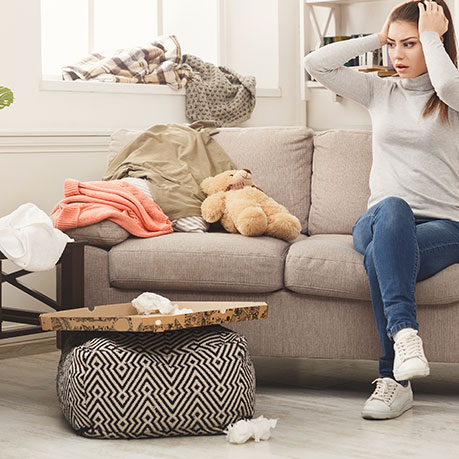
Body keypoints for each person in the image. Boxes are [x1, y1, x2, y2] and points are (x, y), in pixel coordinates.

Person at [304, 0, 459, 420]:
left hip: (443, 227)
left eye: (410, 44)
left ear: (437, 42)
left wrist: (431, 34)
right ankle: (406, 335)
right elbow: (315, 63)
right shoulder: (379, 90)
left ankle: (394, 380)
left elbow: (447, 89)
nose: (398, 55)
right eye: (393, 45)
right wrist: (380, 33)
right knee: (393, 209)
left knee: (380, 256)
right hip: (380, 218)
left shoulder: (453, 94)